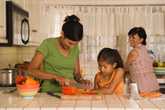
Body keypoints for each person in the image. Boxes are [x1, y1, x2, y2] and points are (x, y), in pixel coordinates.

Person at [28, 15, 90, 93]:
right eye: (70, 43)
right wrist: (55, 77)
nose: (72, 47)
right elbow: (31, 70)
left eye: (75, 44)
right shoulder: (48, 44)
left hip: (71, 91)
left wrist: (81, 80)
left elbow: (77, 73)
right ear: (62, 34)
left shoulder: (75, 47)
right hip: (50, 93)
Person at [126, 27, 160, 98]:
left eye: (133, 38)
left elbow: (125, 68)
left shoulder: (133, 52)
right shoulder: (148, 51)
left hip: (142, 87)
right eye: (129, 37)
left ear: (141, 39)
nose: (130, 40)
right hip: (153, 85)